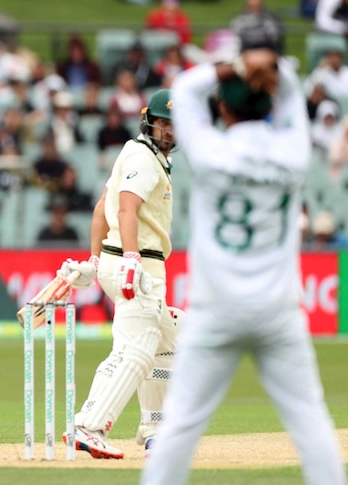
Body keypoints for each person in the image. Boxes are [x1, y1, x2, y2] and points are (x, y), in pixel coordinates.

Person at [140, 48, 346, 485]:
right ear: (271, 102)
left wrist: (230, 65)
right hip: (277, 309)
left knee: (178, 427)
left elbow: (186, 90)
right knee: (311, 423)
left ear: (224, 110)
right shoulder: (294, 153)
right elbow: (292, 94)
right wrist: (272, 66)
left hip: (215, 309)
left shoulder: (209, 149)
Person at [59, 88, 180, 459]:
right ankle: (89, 425)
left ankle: (154, 428)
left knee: (170, 339)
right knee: (137, 348)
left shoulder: (137, 155)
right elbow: (125, 210)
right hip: (137, 263)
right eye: (163, 124)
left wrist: (96, 262)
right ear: (149, 123)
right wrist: (129, 257)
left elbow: (101, 209)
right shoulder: (143, 158)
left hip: (126, 260)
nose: (170, 131)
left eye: (175, 125)